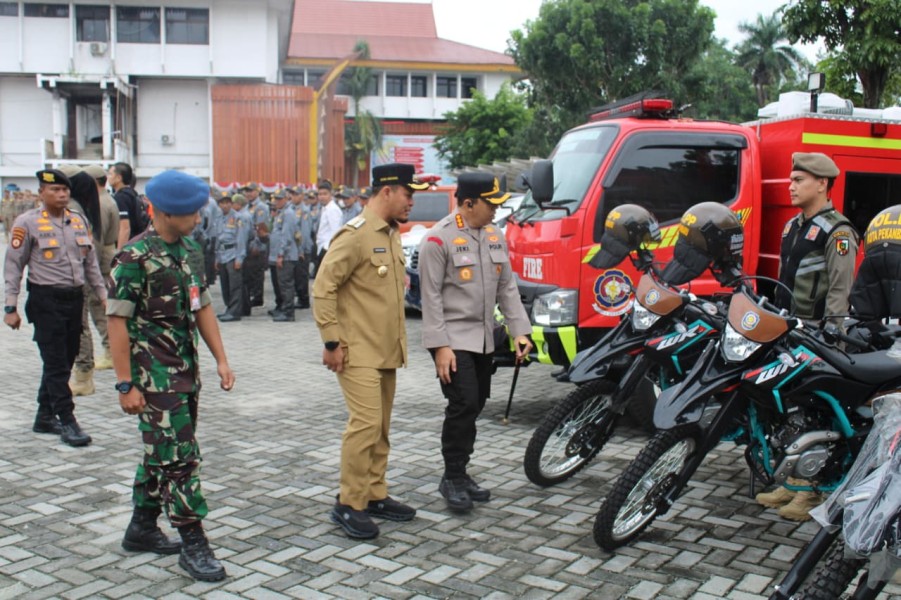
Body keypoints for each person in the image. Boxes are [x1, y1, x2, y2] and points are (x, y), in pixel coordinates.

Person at [106, 170, 235, 582]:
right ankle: (193, 541)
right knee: (180, 460)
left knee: (161, 452)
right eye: (189, 213)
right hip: (153, 379)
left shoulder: (188, 250)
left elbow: (203, 307)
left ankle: (142, 528)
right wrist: (125, 384)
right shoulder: (133, 258)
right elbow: (116, 324)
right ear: (160, 212)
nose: (197, 218)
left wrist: (221, 359)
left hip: (184, 373)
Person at [313, 163, 428, 540]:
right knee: (364, 426)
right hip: (356, 350)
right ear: (387, 192)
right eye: (408, 194)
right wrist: (331, 342)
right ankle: (349, 503)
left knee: (380, 428)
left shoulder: (392, 233)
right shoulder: (355, 235)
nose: (412, 202)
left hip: (385, 350)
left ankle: (374, 492)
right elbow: (324, 288)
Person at [418, 172, 532, 513]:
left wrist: (519, 330)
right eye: (490, 204)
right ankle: (452, 476)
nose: (496, 211)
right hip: (452, 340)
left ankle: (461, 472)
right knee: (464, 403)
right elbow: (431, 298)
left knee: (477, 401)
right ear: (469, 203)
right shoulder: (438, 241)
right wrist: (439, 347)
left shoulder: (495, 236)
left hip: (483, 337)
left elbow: (507, 288)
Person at [759, 152, 859, 522]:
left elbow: (839, 291)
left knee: (818, 412)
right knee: (791, 411)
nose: (791, 185)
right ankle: (792, 482)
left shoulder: (839, 231)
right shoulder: (792, 227)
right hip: (787, 331)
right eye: (791, 179)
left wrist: (833, 337)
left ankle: (813, 491)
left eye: (798, 179)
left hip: (817, 336)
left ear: (822, 183)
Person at [3, 169, 107, 446]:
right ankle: (67, 420)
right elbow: (14, 266)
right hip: (45, 300)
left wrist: (103, 294)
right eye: (55, 190)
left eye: (65, 190)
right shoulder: (27, 223)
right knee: (56, 363)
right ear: (41, 193)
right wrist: (10, 307)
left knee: (67, 357)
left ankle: (44, 416)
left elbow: (91, 264)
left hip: (75, 299)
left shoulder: (78, 221)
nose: (61, 195)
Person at [67, 169, 109, 396]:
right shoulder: (86, 206)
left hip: (78, 275)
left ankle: (84, 376)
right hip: (84, 273)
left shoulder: (74, 210)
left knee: (80, 325)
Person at [84, 164, 121, 371]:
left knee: (99, 307)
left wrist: (92, 271)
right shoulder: (107, 200)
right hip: (108, 257)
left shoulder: (98, 204)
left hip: (101, 262)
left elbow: (96, 241)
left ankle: (110, 350)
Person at [214, 193, 249, 322]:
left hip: (233, 253)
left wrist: (239, 258)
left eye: (228, 202)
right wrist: (216, 258)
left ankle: (235, 311)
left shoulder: (238, 218)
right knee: (225, 284)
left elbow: (241, 239)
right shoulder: (219, 218)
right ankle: (229, 307)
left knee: (235, 285)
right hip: (222, 254)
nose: (225, 205)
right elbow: (218, 239)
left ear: (231, 203)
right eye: (222, 202)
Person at [267, 190, 300, 322]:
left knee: (286, 284)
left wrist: (280, 254)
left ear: (286, 199)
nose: (277, 201)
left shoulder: (288, 213)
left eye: (280, 199)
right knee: (280, 284)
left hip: (286, 256)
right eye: (275, 199)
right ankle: (282, 308)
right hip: (278, 255)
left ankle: (288, 312)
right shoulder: (281, 213)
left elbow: (286, 236)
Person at [242, 183, 269, 309]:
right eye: (247, 191)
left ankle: (258, 297)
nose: (248, 193)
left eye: (251, 191)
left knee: (257, 272)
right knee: (250, 272)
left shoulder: (260, 207)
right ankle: (253, 294)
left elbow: (261, 227)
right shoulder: (247, 206)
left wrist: (257, 245)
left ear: (257, 192)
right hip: (248, 244)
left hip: (257, 245)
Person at [109, 162, 146, 246]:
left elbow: (125, 228)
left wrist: (120, 252)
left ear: (118, 178)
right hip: (137, 242)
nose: (108, 177)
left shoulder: (121, 197)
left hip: (128, 244)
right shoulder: (133, 194)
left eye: (110, 174)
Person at [292, 187, 313, 309]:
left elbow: (304, 232)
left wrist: (302, 250)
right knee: (296, 275)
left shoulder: (304, 211)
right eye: (293, 194)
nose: (294, 197)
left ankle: (304, 299)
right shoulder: (291, 209)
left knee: (301, 276)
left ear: (302, 196)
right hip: (294, 249)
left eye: (297, 194)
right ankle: (300, 297)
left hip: (302, 248)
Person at [315, 181, 342, 271]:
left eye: (325, 194)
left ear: (331, 194)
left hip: (327, 250)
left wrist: (328, 250)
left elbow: (335, 232)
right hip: (322, 248)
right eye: (320, 194)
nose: (322, 197)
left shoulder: (333, 210)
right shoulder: (325, 208)